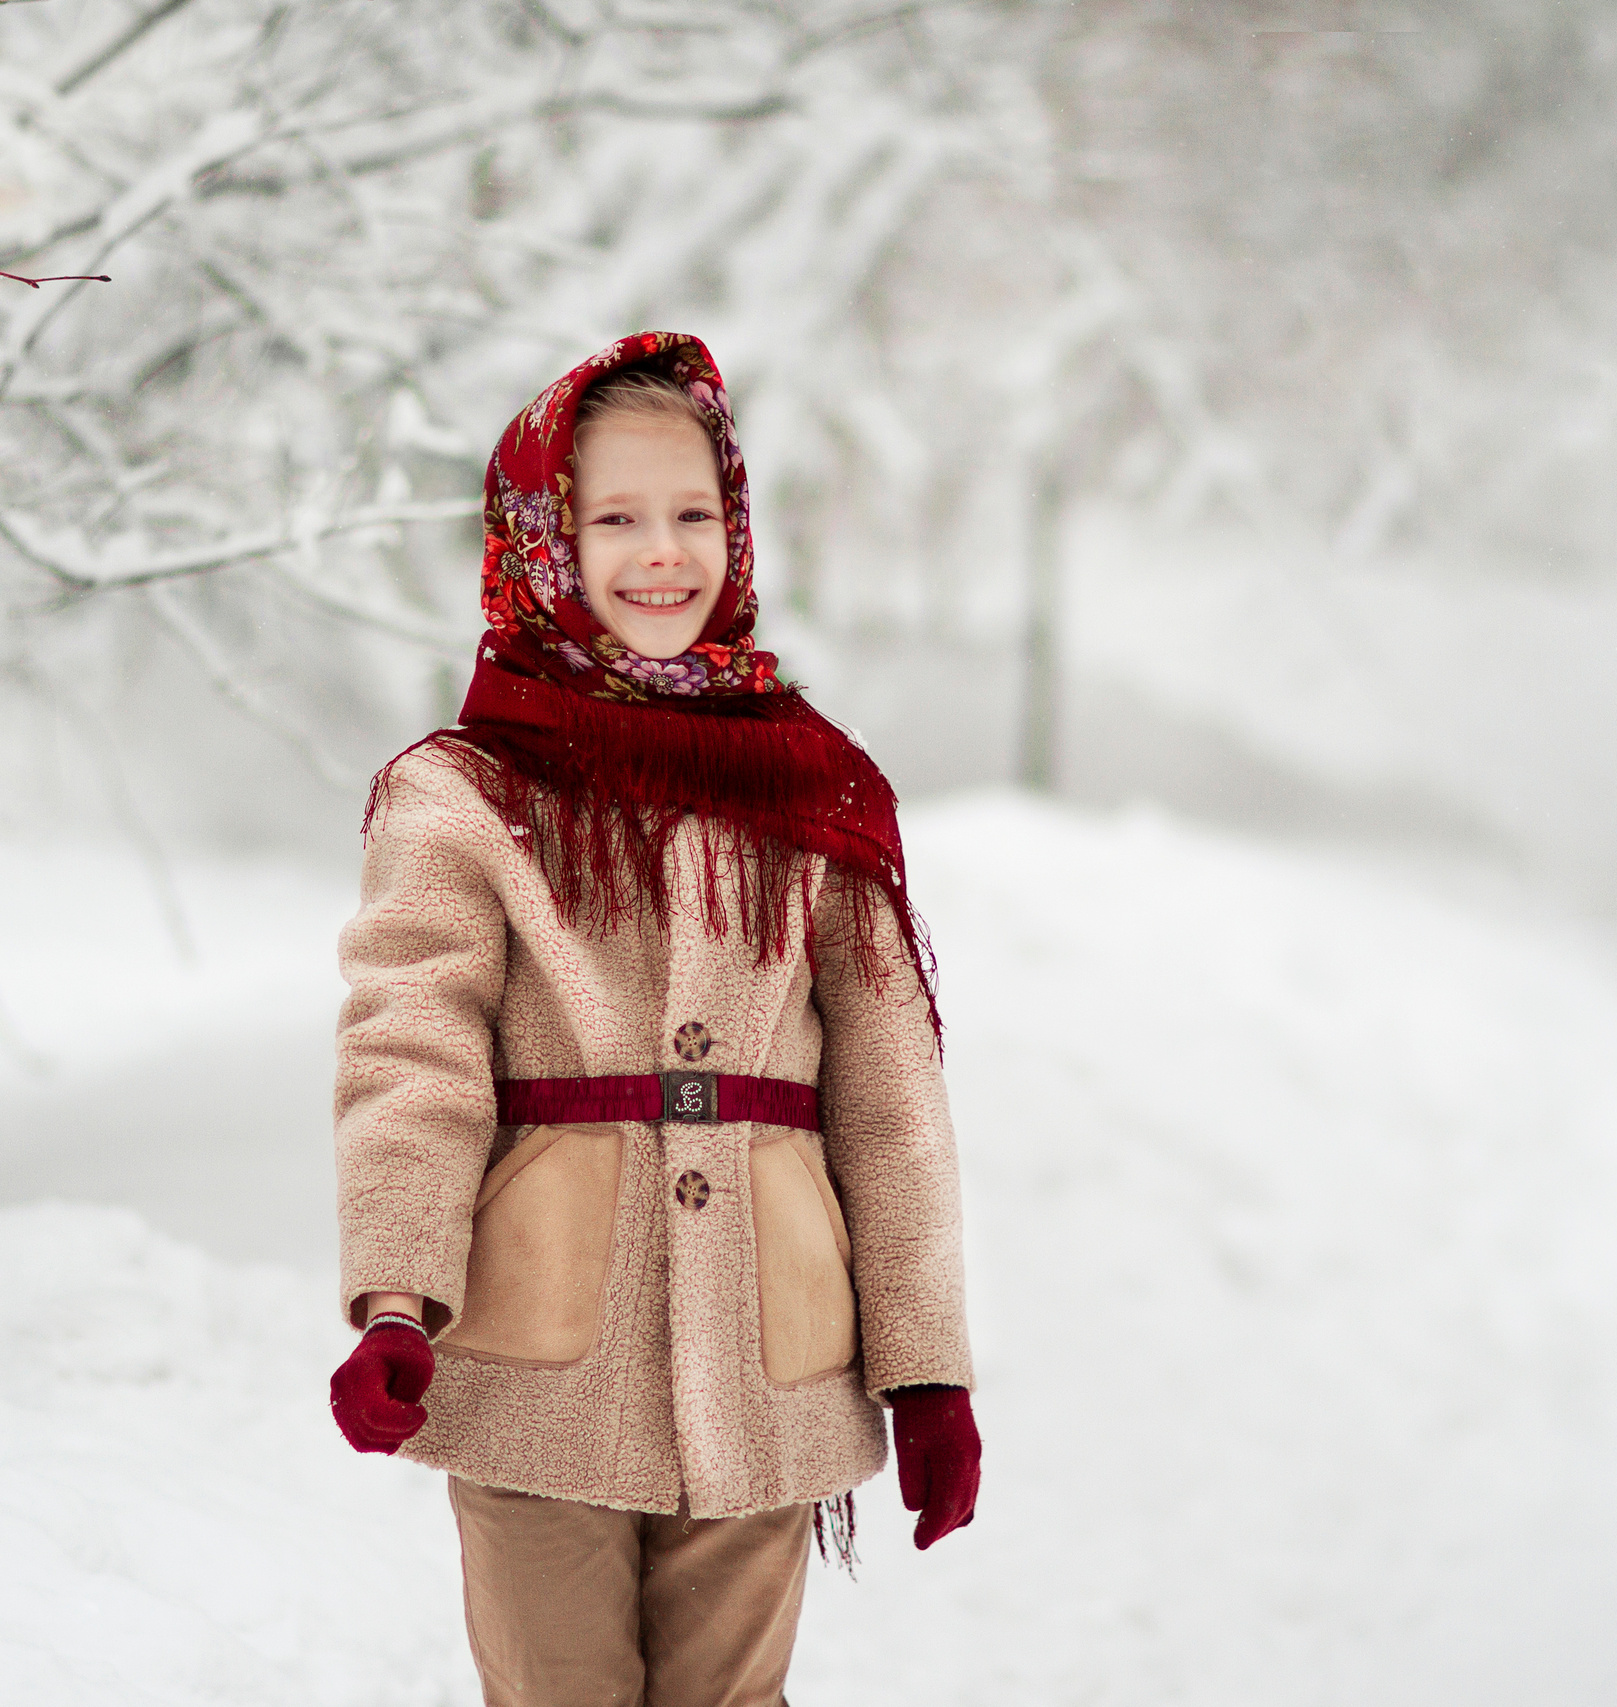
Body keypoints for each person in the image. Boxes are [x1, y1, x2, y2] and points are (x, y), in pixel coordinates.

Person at [329, 330, 978, 1707]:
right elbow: (413, 1053)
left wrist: (927, 1368)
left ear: (736, 529)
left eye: (691, 514)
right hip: (534, 1352)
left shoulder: (819, 791)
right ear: (542, 539)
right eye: (613, 518)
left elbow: (891, 1103)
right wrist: (396, 1299)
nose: (661, 553)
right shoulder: (465, 792)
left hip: (771, 1349)